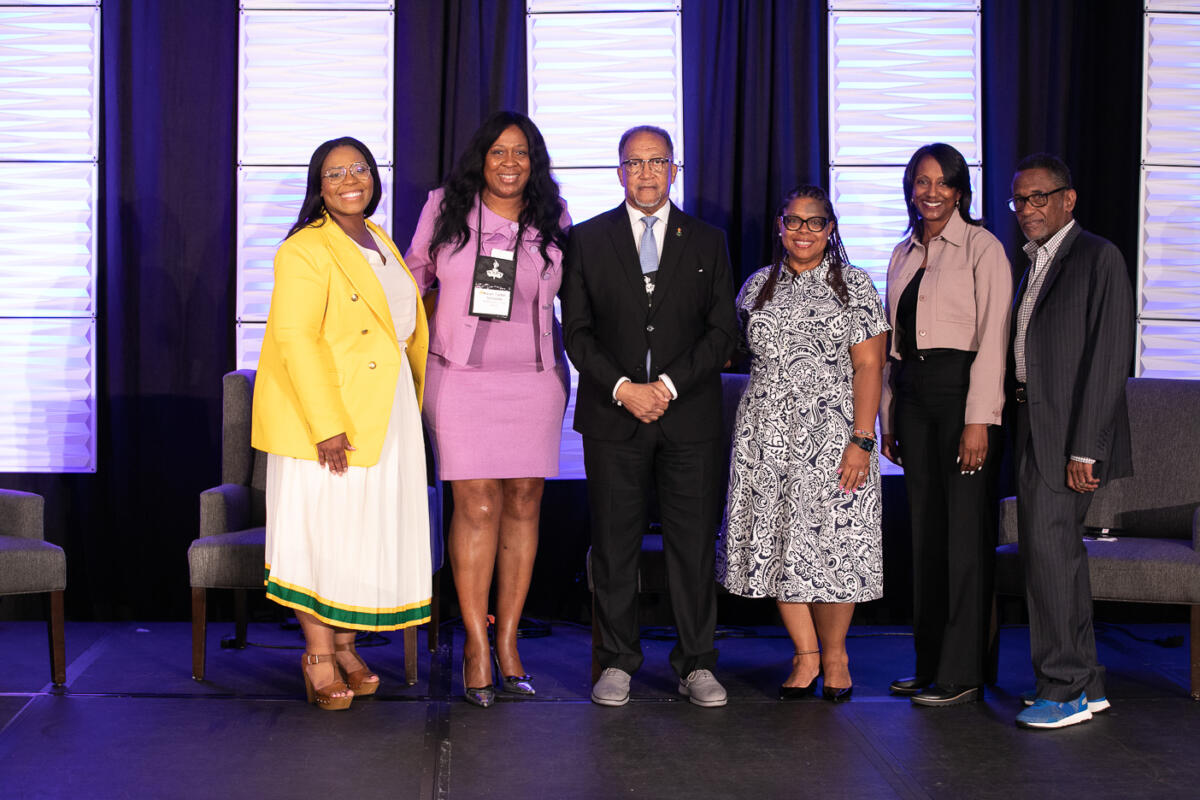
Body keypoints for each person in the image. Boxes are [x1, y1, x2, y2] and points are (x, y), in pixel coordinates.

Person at [561, 125, 739, 708]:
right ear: (619, 173)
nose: (645, 173)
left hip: (688, 419)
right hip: (613, 418)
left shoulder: (707, 240)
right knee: (615, 547)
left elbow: (722, 332)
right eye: (634, 163)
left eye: (656, 162)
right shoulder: (586, 239)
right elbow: (577, 332)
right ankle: (617, 662)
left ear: (673, 171)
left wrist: (664, 386)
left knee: (692, 546)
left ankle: (697, 664)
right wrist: (623, 389)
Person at [252, 136, 431, 710]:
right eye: (335, 173)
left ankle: (347, 645)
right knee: (322, 533)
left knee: (360, 533)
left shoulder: (378, 237)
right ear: (319, 186)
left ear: (374, 177)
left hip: (385, 406)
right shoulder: (303, 248)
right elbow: (295, 339)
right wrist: (327, 425)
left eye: (359, 168)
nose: (349, 179)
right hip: (328, 415)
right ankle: (318, 655)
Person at [405, 111, 571, 708]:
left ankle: (508, 643)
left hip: (535, 380)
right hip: (459, 380)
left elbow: (572, 296)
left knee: (524, 501)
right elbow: (411, 281)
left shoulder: (553, 215)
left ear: (534, 162)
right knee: (476, 503)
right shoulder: (444, 207)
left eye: (520, 152)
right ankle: (475, 643)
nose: (509, 162)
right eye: (498, 151)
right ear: (481, 157)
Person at [718, 185, 889, 703]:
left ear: (830, 229)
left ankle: (835, 656)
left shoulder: (855, 286)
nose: (803, 231)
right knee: (778, 544)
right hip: (764, 436)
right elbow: (728, 348)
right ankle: (805, 655)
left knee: (834, 545)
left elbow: (869, 366)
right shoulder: (757, 286)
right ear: (780, 226)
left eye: (815, 222)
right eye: (793, 221)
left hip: (833, 435)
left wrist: (863, 438)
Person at [878, 143, 1013, 707]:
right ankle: (929, 663)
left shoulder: (983, 247)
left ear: (960, 191)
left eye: (942, 182)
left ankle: (963, 673)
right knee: (926, 536)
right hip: (914, 398)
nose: (931, 192)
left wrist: (980, 419)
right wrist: (888, 416)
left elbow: (995, 340)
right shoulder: (902, 252)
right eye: (922, 181)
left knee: (963, 537)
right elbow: (892, 345)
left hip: (963, 397)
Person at [1007, 153, 1133, 729]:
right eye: (1020, 199)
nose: (1027, 208)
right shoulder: (1034, 260)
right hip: (1035, 425)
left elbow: (1109, 357)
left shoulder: (1097, 256)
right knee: (1053, 557)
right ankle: (1086, 682)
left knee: (1051, 558)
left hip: (1068, 437)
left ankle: (1064, 691)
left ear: (1068, 199)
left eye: (1039, 197)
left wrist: (1087, 446)